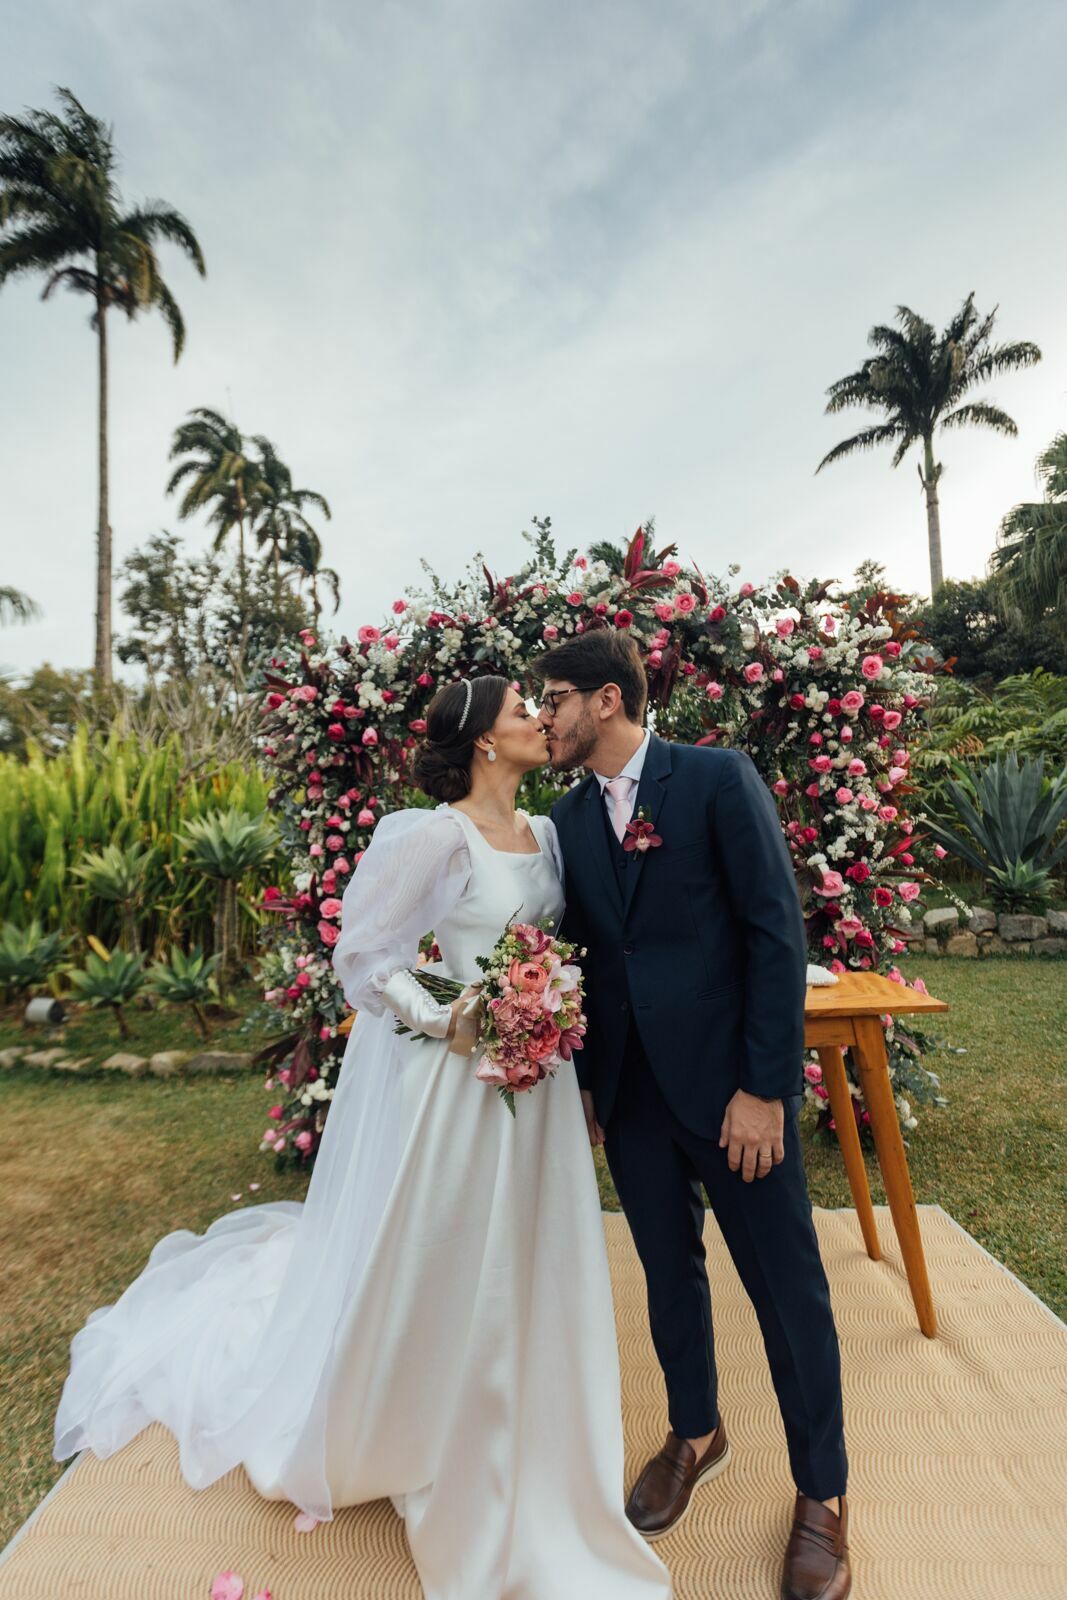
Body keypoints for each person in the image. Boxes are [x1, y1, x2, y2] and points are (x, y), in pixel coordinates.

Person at [52, 673, 671, 1600]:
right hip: (460, 1088)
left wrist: (548, 1007)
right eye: (519, 713)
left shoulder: (548, 833)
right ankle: (434, 1420)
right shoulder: (431, 836)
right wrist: (449, 1016)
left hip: (535, 1084)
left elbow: (569, 940)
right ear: (481, 744)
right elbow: (365, 958)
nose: (540, 721)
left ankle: (538, 1419)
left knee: (533, 1258)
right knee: (452, 1256)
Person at [534, 629, 852, 1600]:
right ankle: (695, 1429)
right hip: (629, 1095)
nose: (541, 717)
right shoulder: (568, 817)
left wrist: (764, 1088)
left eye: (552, 698)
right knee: (667, 1277)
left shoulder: (716, 780)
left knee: (783, 1289)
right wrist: (589, 1082)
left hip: (731, 1098)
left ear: (603, 701)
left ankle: (822, 1497)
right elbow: (588, 953)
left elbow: (773, 929)